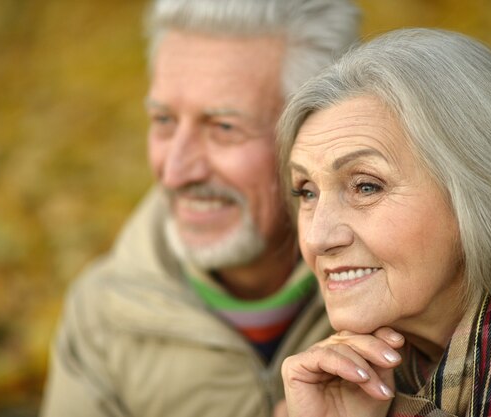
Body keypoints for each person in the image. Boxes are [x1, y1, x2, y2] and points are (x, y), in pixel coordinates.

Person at [40, 1, 361, 416]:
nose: (174, 172)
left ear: (319, 128)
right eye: (163, 121)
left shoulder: (409, 297)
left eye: (224, 127)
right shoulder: (101, 317)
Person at [276, 28, 491, 417]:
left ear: (483, 190)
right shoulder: (319, 388)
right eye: (306, 192)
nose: (318, 238)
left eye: (366, 187)